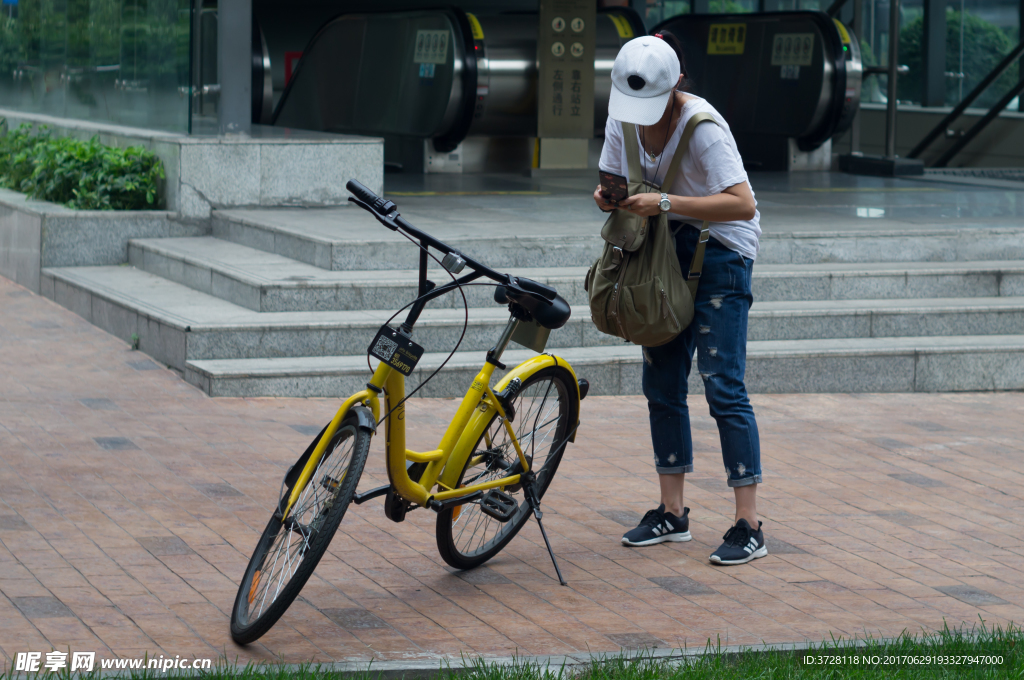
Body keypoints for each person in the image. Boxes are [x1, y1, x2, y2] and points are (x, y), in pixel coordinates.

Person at [594, 33, 766, 566]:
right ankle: (672, 514)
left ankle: (748, 523)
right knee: (662, 381)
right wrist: (609, 195)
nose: (641, 118)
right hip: (662, 249)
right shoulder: (621, 114)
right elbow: (610, 178)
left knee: (723, 386)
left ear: (677, 88)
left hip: (721, 253)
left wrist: (667, 199)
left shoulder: (704, 127)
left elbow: (742, 203)